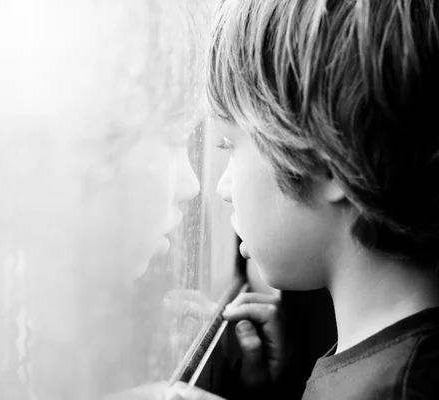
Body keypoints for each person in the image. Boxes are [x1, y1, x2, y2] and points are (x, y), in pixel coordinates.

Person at [161, 0, 439, 399]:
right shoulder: (392, 358)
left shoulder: (399, 387)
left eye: (231, 145)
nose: (221, 187)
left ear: (328, 161)